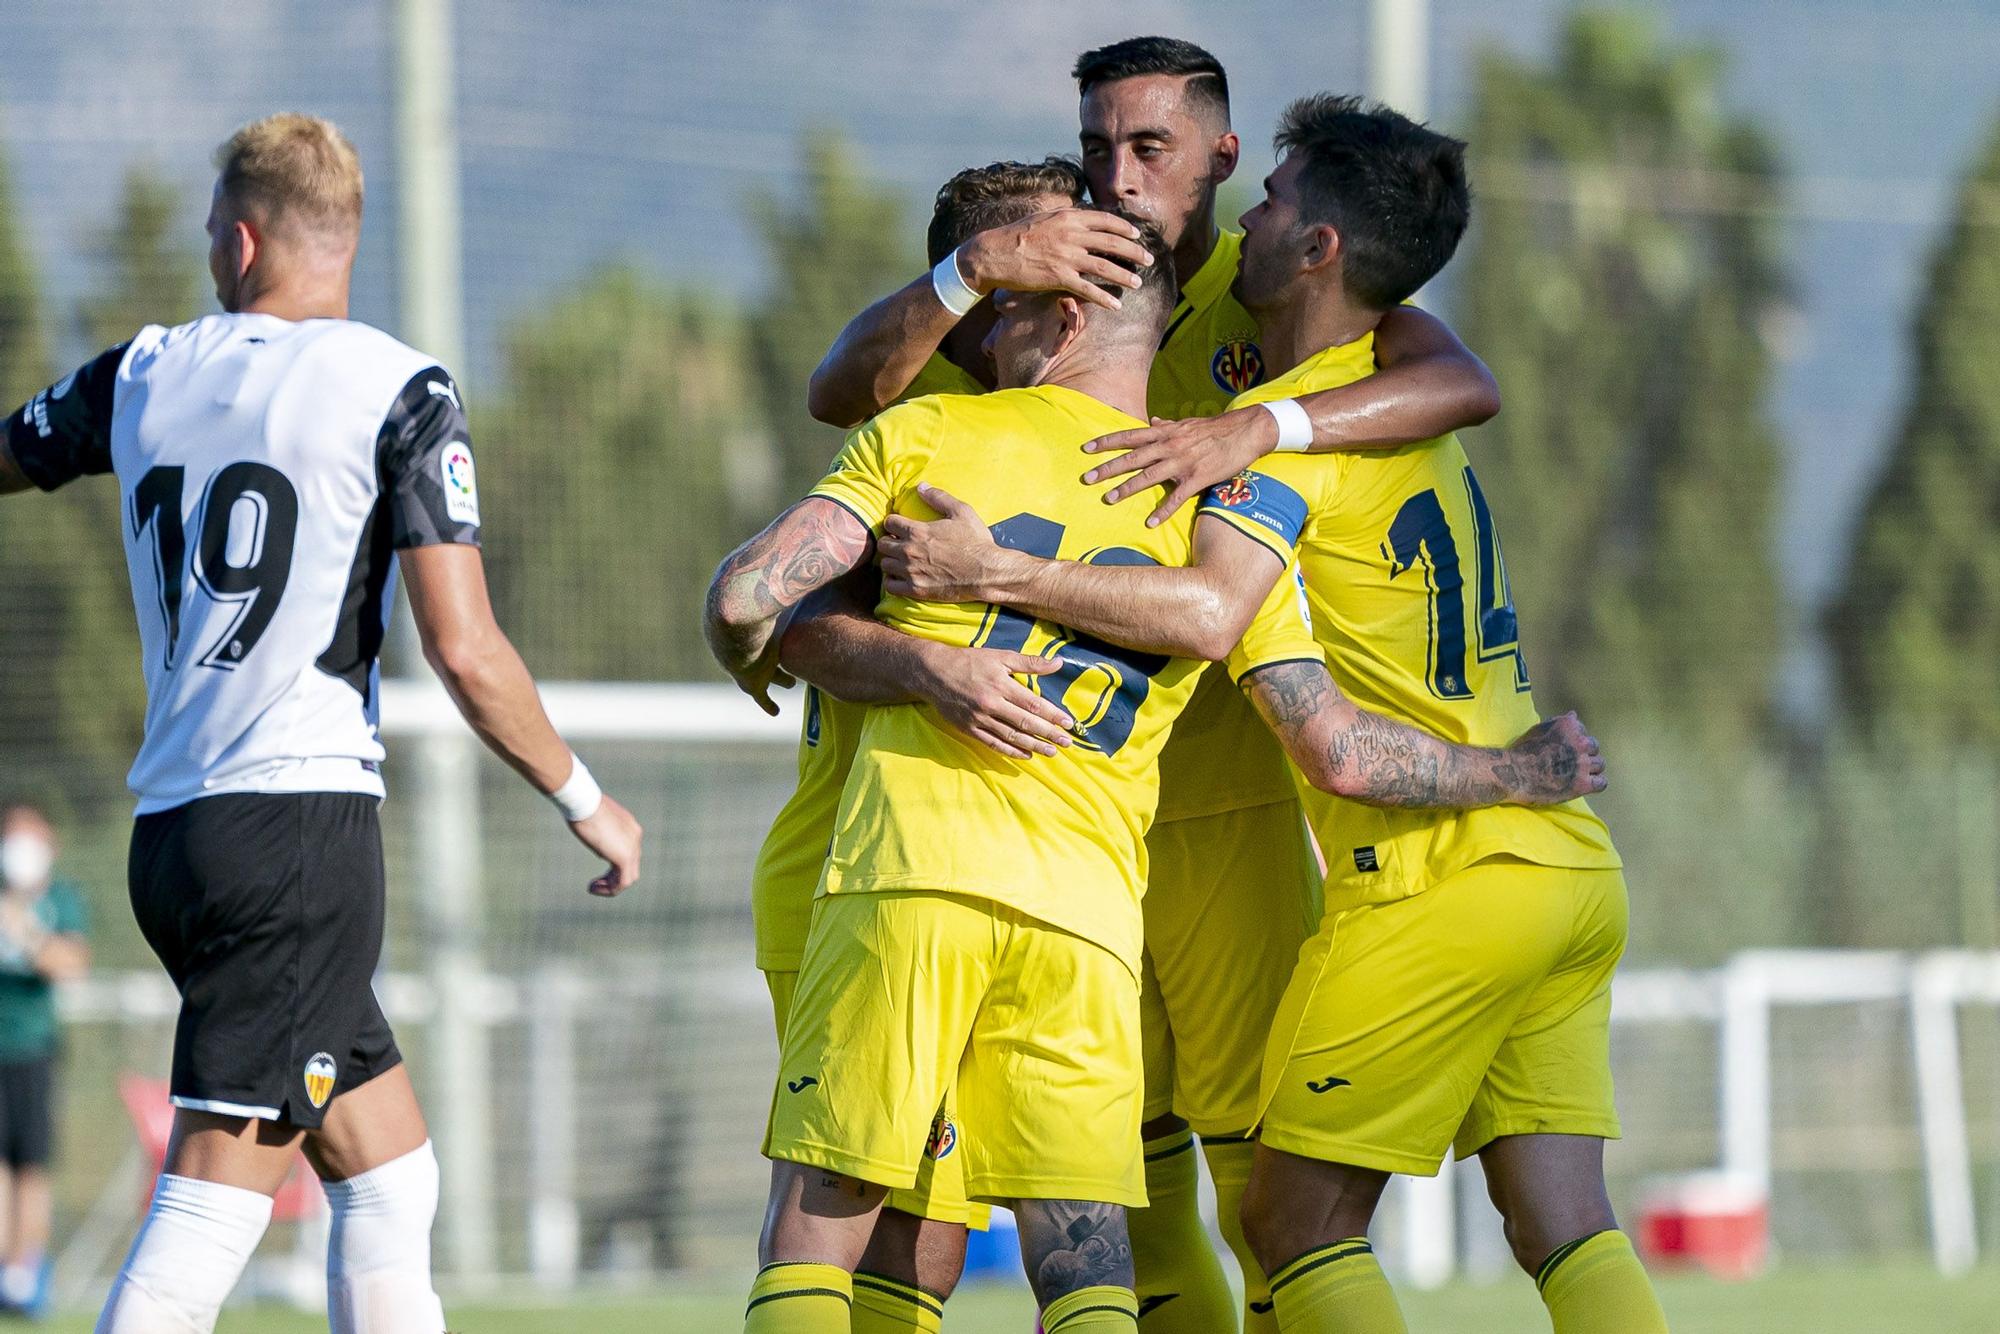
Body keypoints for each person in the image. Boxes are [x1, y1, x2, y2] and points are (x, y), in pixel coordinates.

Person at [709, 208, 1602, 1334]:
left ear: (1062, 310)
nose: (981, 335)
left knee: (837, 1227)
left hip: (902, 876)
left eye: (1004, 308)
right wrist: (1515, 772)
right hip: (1087, 923)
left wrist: (783, 649)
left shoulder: (930, 435)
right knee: (1087, 1265)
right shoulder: (1225, 509)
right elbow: (1318, 722)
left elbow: (753, 596)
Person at [879, 95, 1668, 1334]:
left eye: (1275, 202)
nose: (1248, 217)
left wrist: (994, 575)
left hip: (1434, 881)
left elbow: (1303, 715)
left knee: (1291, 1221)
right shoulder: (1382, 396)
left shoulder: (1273, 459)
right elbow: (1462, 382)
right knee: (1562, 1224)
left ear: (1319, 251)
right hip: (1568, 879)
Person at [0, 112, 644, 1334]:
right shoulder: (399, 389)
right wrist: (584, 797)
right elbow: (464, 645)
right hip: (296, 831)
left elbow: (14, 452)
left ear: (238, 244)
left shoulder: (139, 371)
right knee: (209, 1202)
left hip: (178, 833)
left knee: (392, 1174)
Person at [749, 157, 1093, 1334]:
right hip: (858, 864)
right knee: (851, 1207)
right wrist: (931, 669)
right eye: (1043, 262)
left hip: (989, 878)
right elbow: (766, 610)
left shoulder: (1125, 441)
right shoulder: (916, 428)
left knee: (931, 1238)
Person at [0, 804, 88, 1319]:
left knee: (31, 1162)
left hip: (34, 1049)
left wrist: (26, 931)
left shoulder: (60, 899)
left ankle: (23, 1273)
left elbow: (71, 962)